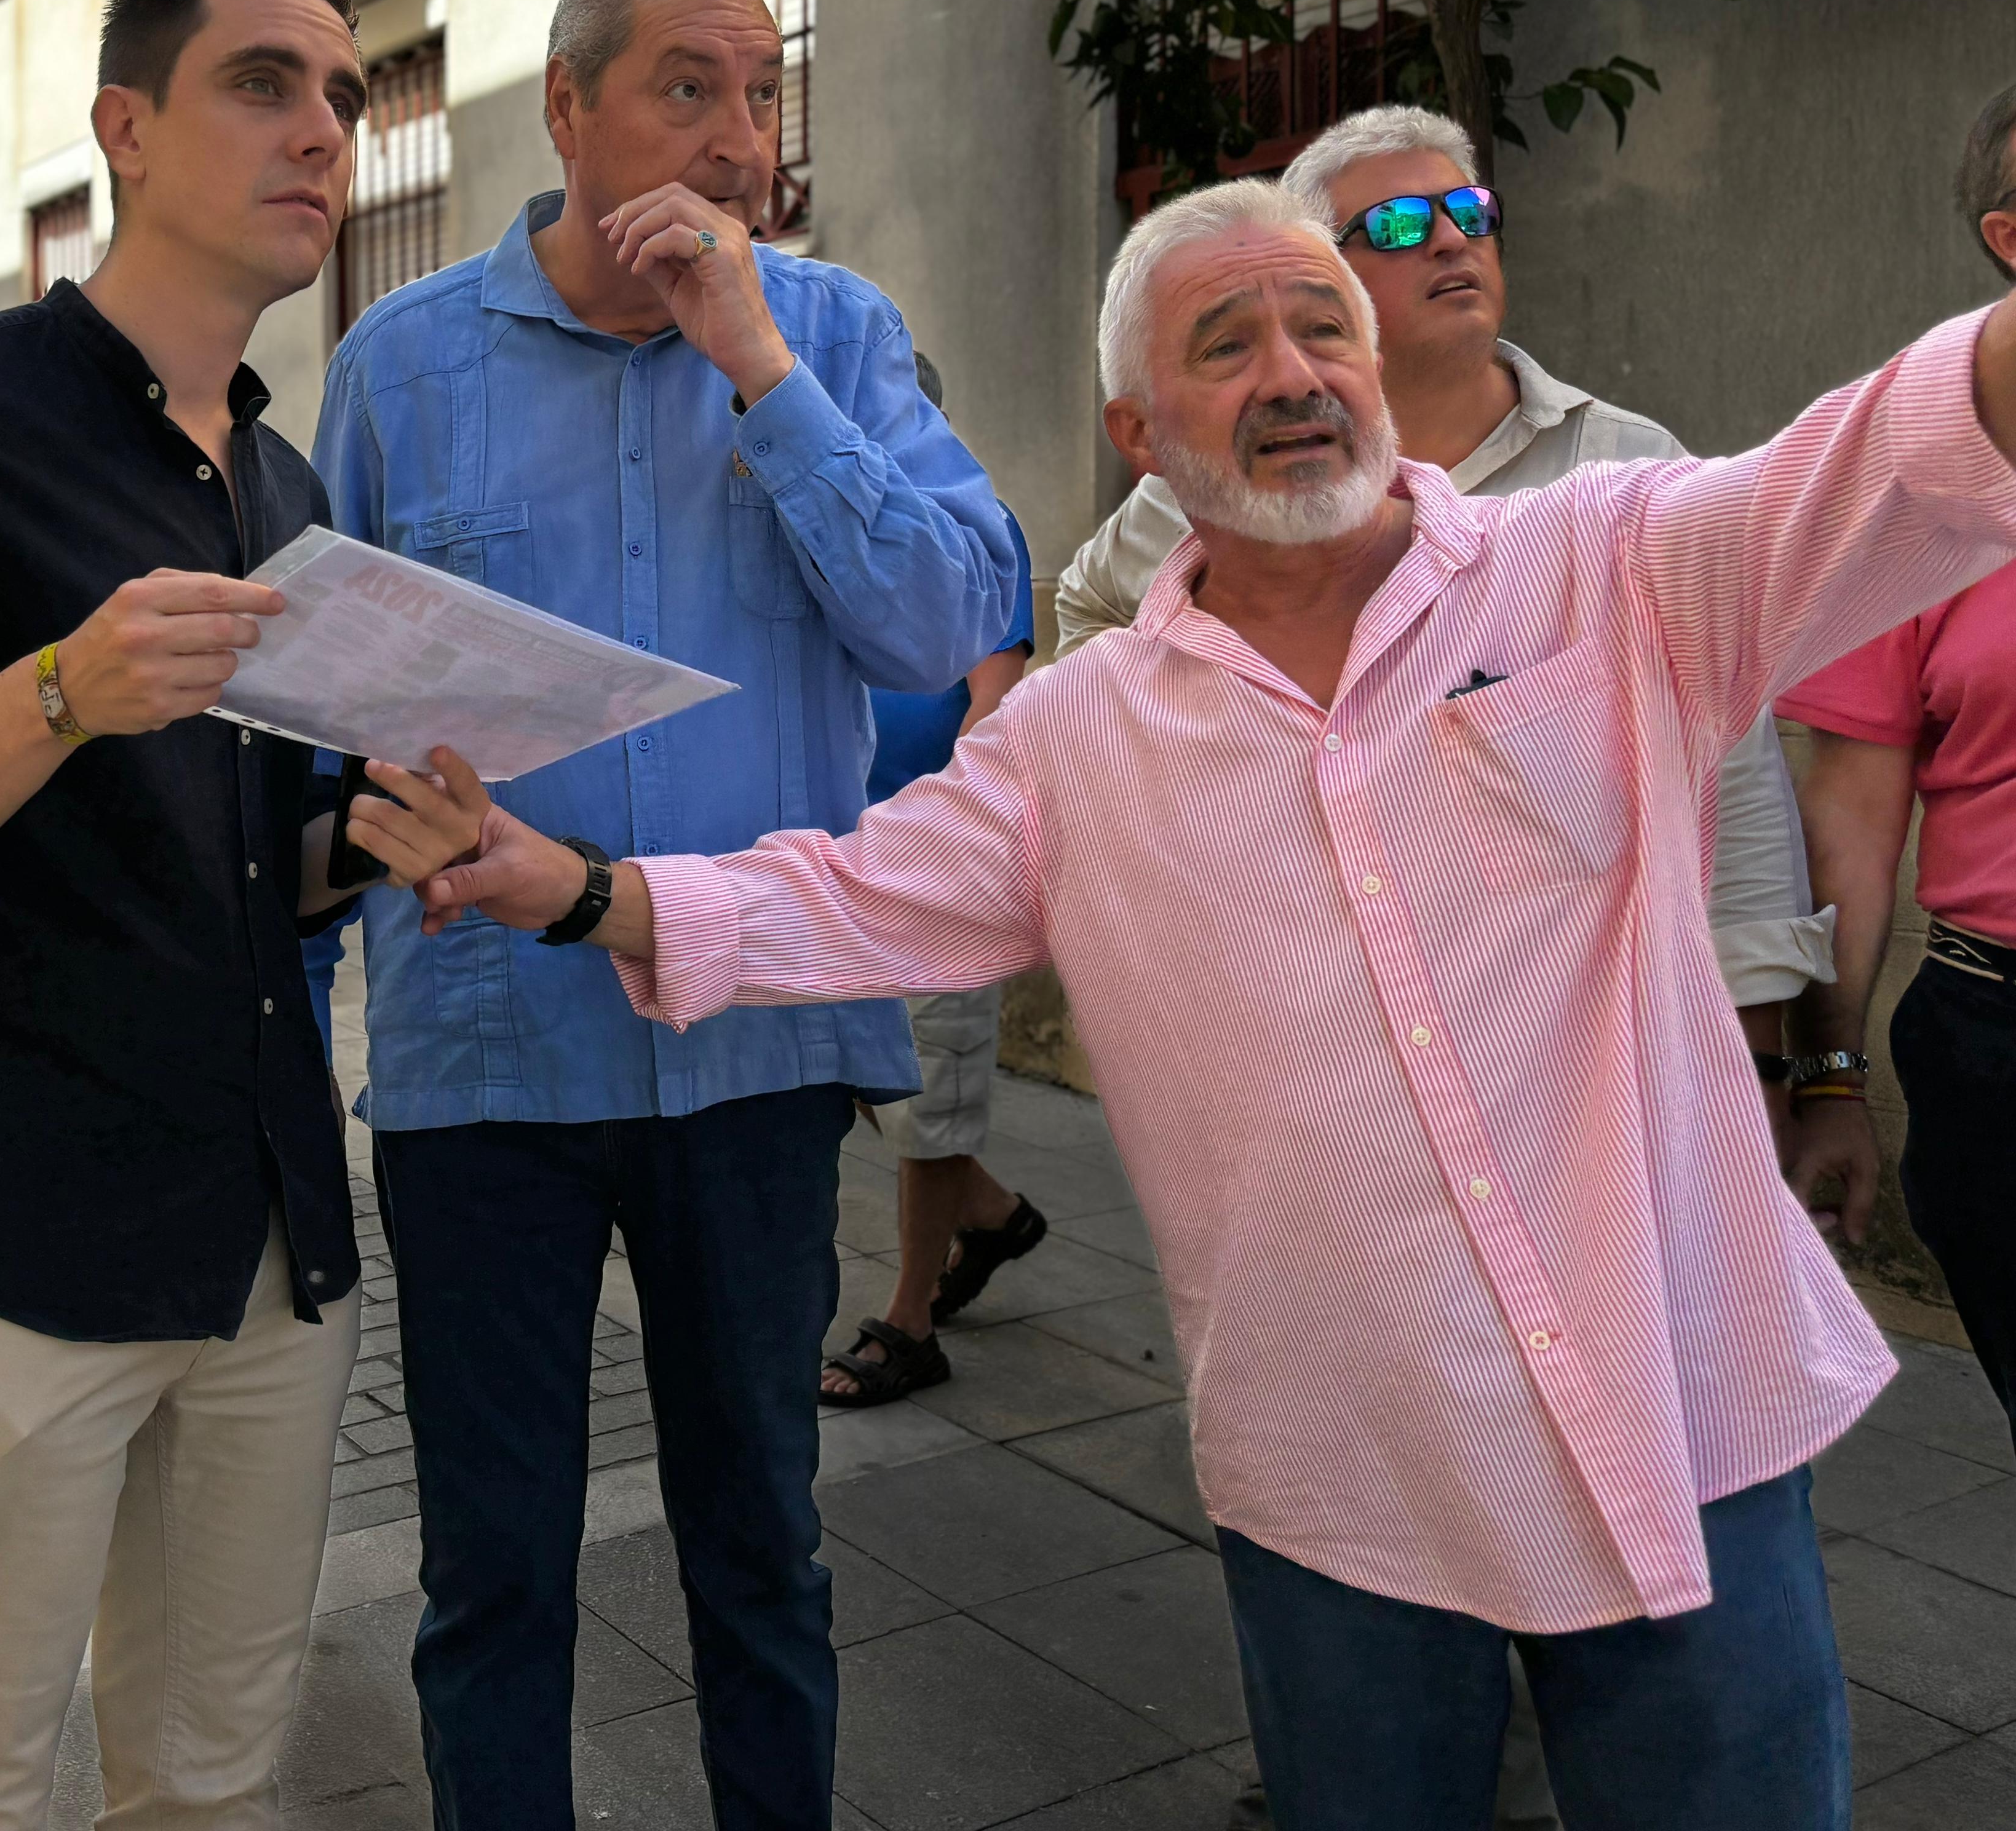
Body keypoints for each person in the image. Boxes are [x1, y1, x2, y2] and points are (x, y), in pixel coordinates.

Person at [419, 172, 2016, 1831]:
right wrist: (582, 891)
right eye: (1228, 343)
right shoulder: (1084, 735)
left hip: (1683, 1411)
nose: (1294, 374)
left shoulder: (1605, 567)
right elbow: (850, 890)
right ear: (1138, 431)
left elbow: (1880, 457)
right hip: (1347, 1477)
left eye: (1326, 327)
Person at [0, 0, 488, 1831]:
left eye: (341, 90)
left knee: (213, 1785)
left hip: (264, 1255)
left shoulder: (288, 492)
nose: (320, 126)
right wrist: (59, 687)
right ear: (124, 131)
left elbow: (234, 872)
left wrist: (365, 844)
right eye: (262, 82)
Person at [1055, 106, 1838, 1830]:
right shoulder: (1192, 521)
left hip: (1619, 1179)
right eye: (1395, 228)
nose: (1451, 240)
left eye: (1467, 206)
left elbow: (1746, 777)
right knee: (1392, 1648)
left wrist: (1791, 1055)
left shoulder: (1613, 480)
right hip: (1359, 1237)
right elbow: (1095, 737)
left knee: (1689, 1661)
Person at [314, 0, 1024, 1827]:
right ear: (565, 109)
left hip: (752, 1053)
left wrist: (758, 369)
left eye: (755, 90)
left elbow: (944, 623)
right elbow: (320, 726)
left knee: (759, 1548)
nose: (731, 138)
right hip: (486, 1065)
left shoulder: (838, 335)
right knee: (491, 1575)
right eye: (681, 88)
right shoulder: (398, 369)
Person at [1777, 77, 2016, 1447]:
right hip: (2001, 1049)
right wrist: (1829, 1077)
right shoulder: (1920, 489)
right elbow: (1851, 828)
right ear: (2006, 236)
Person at [823, 353, 1041, 1407]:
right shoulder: (818, 522)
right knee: (872, 1079)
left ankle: (910, 1322)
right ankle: (994, 1217)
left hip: (932, 867)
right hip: (829, 859)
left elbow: (996, 705)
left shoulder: (973, 532)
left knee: (930, 1096)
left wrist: (940, 840)